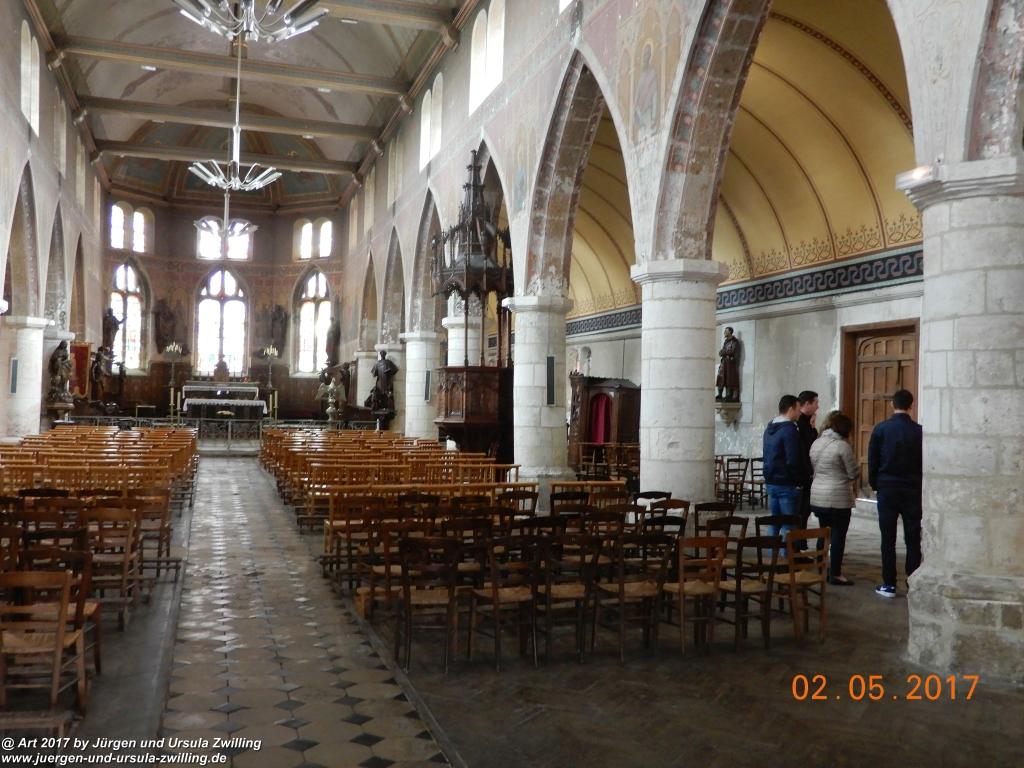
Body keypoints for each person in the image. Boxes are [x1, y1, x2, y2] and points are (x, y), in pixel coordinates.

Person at [868, 389, 923, 599]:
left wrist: (875, 484)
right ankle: (913, 582)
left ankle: (889, 583)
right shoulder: (919, 431)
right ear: (911, 406)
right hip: (912, 490)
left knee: (887, 539)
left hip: (888, 489)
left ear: (892, 405)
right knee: (912, 538)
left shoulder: (881, 429)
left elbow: (873, 460)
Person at [809, 411, 859, 585]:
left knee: (823, 532)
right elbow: (853, 472)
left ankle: (821, 567)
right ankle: (836, 573)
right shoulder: (842, 446)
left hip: (817, 495)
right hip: (837, 497)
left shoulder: (816, 443)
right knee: (838, 535)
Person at [762, 394, 807, 541]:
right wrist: (799, 480)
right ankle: (787, 559)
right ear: (791, 409)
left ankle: (772, 556)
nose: (800, 412)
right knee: (789, 524)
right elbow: (793, 458)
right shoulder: (789, 430)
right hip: (787, 483)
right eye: (798, 409)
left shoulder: (770, 428)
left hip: (771, 481)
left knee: (775, 522)